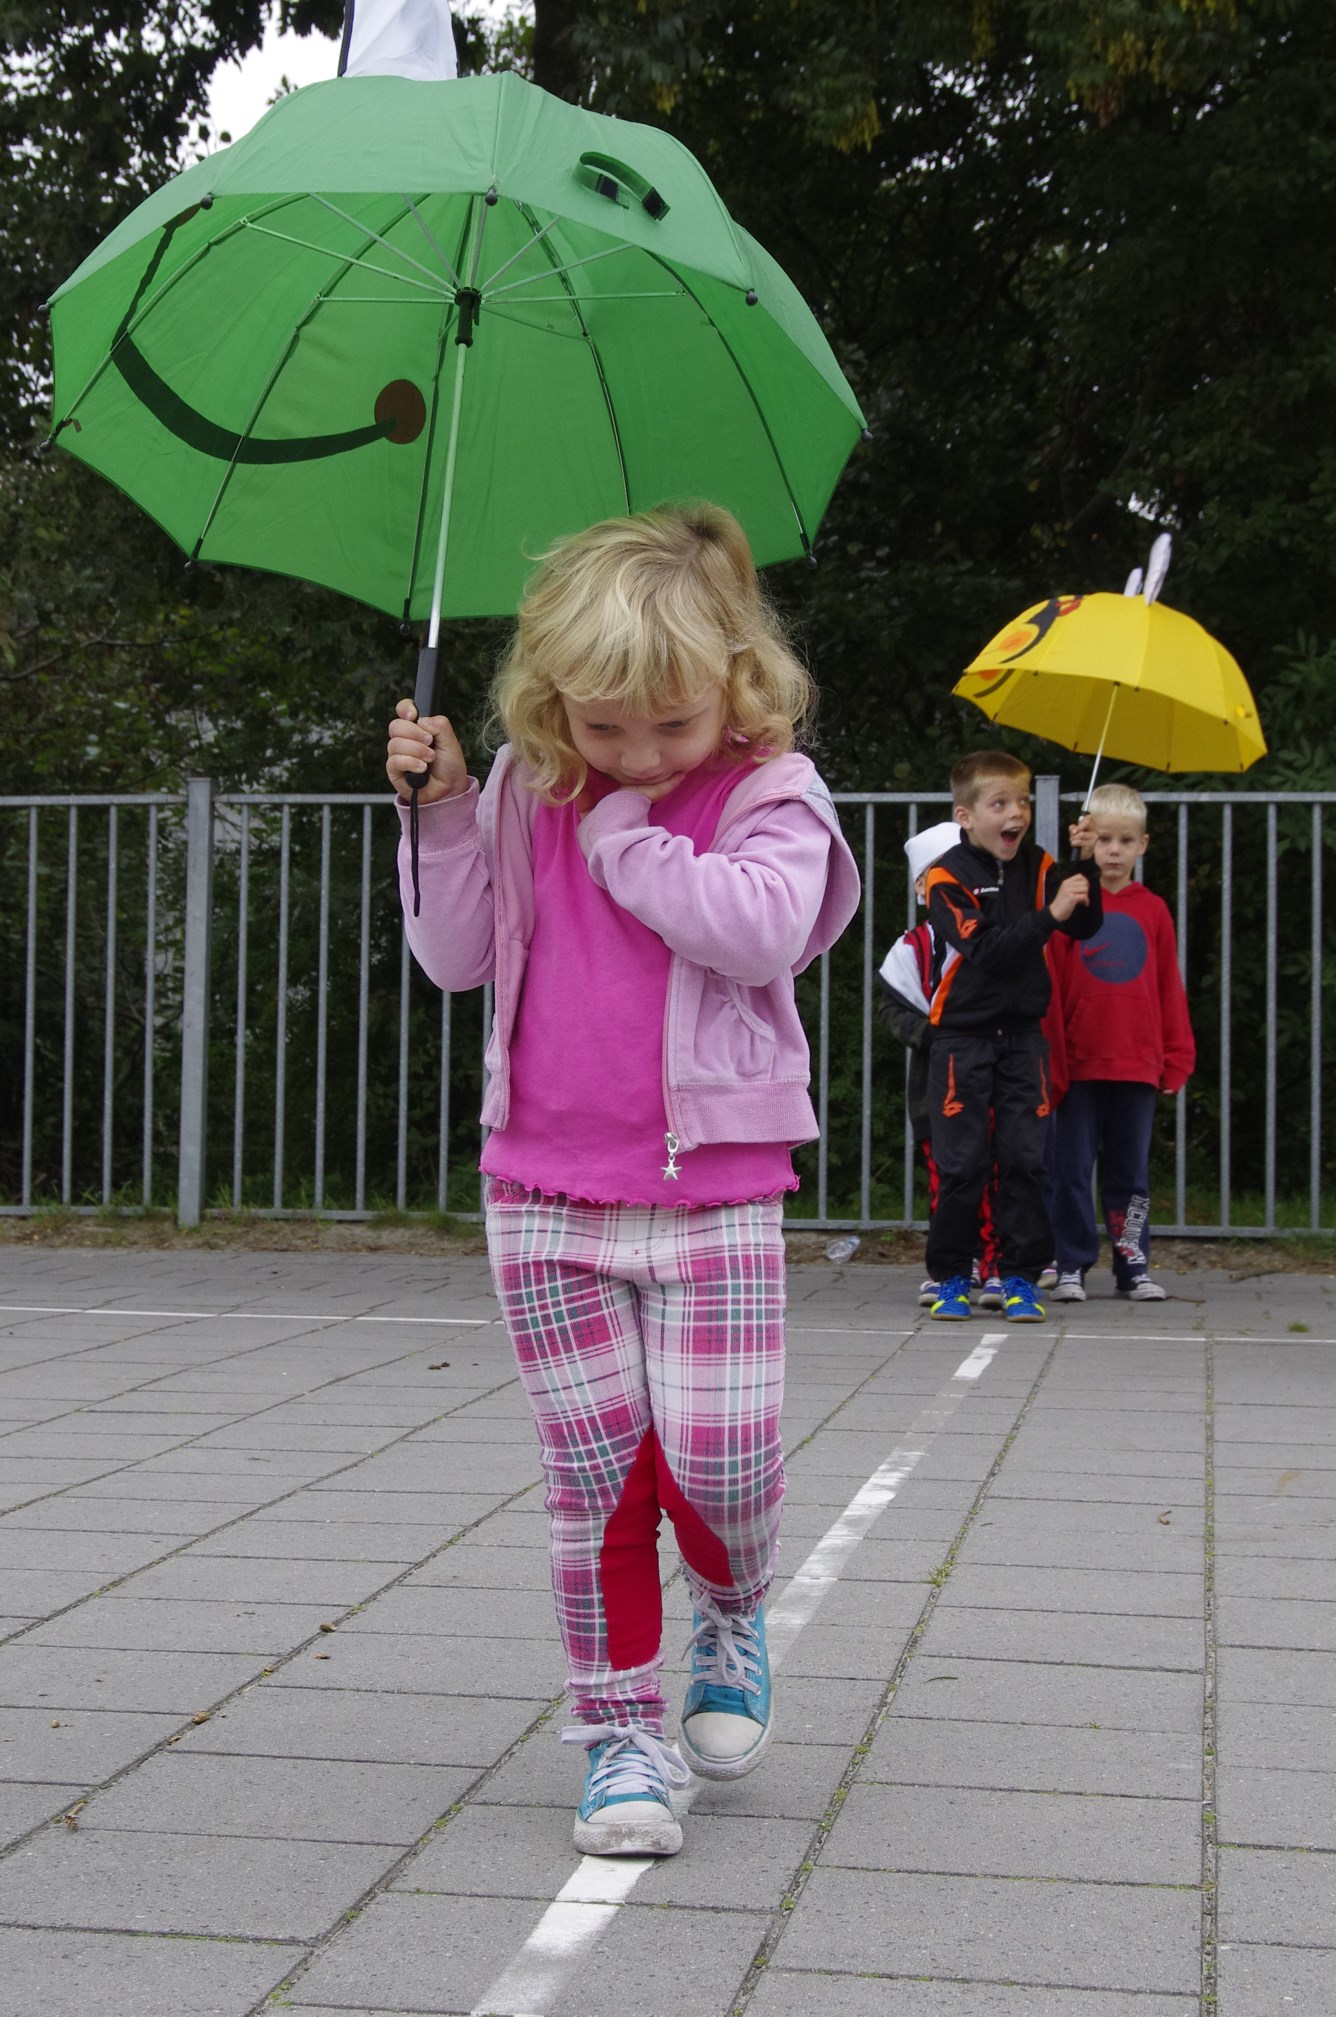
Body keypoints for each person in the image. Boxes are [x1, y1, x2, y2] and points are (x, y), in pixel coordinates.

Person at [384, 503, 860, 1861]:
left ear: (738, 685)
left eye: (672, 724)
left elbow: (764, 926)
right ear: (550, 700)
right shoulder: (528, 789)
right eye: (604, 729)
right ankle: (619, 1737)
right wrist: (437, 820)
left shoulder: (772, 793)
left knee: (721, 1459)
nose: (639, 753)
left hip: (714, 1187)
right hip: (541, 1182)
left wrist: (635, 835)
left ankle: (729, 1610)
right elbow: (457, 957)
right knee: (593, 1478)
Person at [920, 750, 1102, 1322]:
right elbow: (990, 951)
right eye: (1000, 803)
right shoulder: (944, 877)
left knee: (1025, 1160)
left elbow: (1084, 924)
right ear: (966, 815)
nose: (1015, 814)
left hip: (1024, 1039)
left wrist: (1086, 865)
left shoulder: (1043, 865)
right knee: (963, 1164)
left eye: (1022, 802)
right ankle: (952, 1275)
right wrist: (1050, 914)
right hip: (962, 1040)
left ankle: (1021, 1276)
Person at [1047, 782, 1195, 1302]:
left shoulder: (1153, 910)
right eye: (1103, 839)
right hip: (1079, 1063)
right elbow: (1053, 983)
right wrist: (1051, 1058)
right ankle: (1071, 1264)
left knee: (1130, 1175)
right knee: (1069, 1170)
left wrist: (1176, 1057)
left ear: (1143, 846)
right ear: (1087, 840)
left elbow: (1166, 988)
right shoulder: (1071, 904)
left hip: (1137, 1063)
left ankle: (1133, 1264)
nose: (1113, 850)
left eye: (1124, 841)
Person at [878, 821, 1005, 1310]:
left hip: (993, 1075)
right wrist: (938, 1035)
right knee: (949, 1175)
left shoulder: (993, 936)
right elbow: (892, 1010)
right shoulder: (909, 950)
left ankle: (997, 1265)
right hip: (936, 1083)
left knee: (996, 1171)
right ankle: (956, 1262)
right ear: (920, 887)